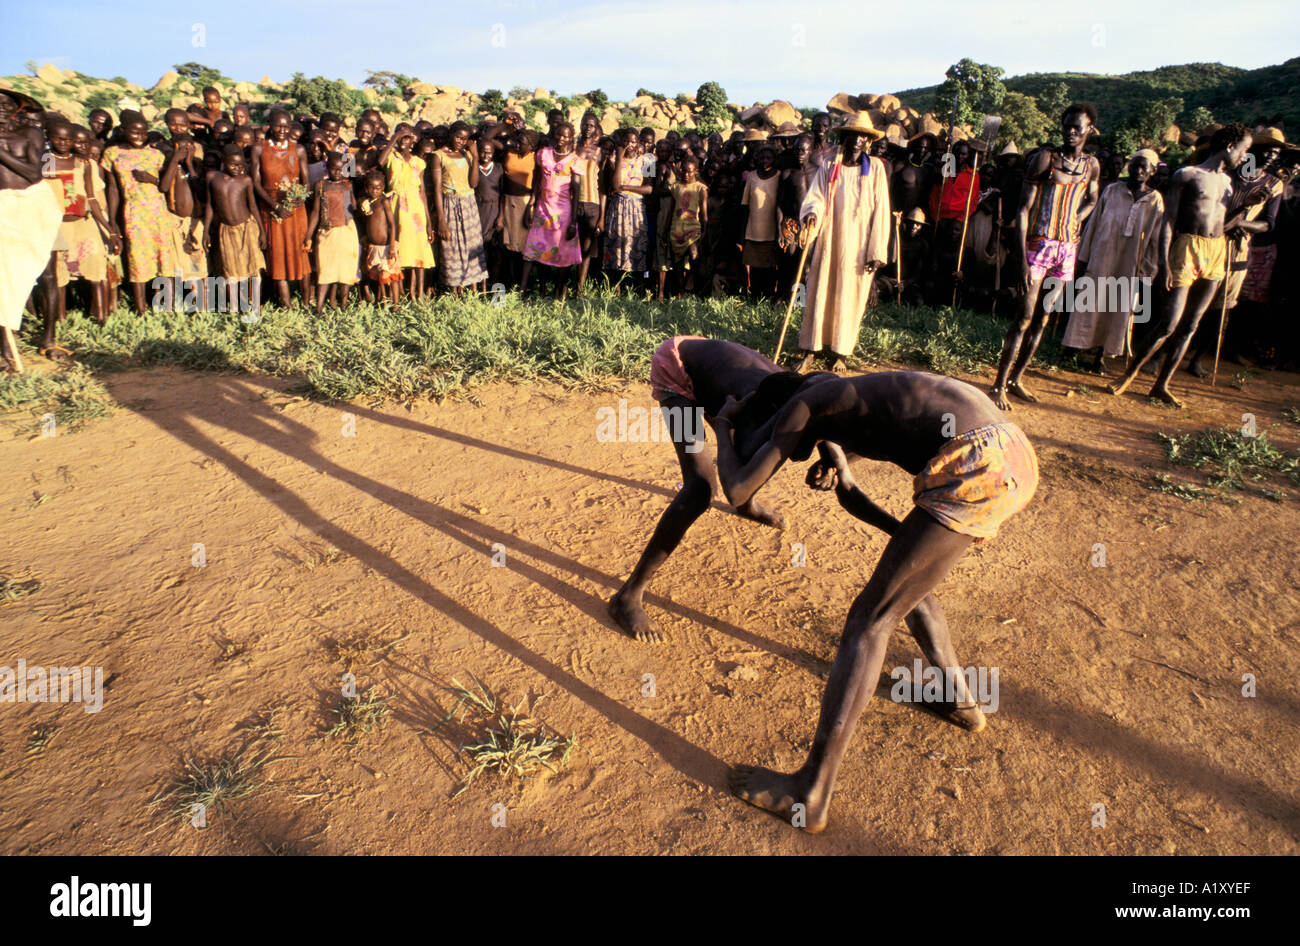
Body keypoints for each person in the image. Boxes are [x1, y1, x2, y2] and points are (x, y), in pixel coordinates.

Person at [711, 369, 1037, 833]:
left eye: (779, 432)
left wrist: (724, 426)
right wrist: (842, 468)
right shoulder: (850, 394)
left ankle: (811, 793)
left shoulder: (805, 405)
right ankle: (962, 702)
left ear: (783, 413)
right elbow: (868, 468)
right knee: (906, 585)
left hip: (975, 462)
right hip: (1010, 452)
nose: (784, 447)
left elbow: (740, 487)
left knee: (870, 620)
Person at [607, 337, 798, 643]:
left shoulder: (808, 398)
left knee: (752, 454)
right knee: (699, 489)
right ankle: (627, 597)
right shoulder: (751, 405)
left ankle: (746, 507)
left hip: (713, 374)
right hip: (676, 371)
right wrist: (723, 424)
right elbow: (732, 481)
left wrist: (832, 462)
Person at [1109, 123, 1254, 407]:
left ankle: (1161, 385)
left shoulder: (1228, 183)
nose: (1244, 157)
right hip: (1186, 249)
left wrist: (1243, 208)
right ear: (1229, 146)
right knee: (1168, 324)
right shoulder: (1186, 175)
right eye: (1244, 150)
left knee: (1191, 325)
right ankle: (1129, 374)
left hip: (1216, 251)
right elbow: (1169, 222)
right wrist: (1164, 262)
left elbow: (1223, 224)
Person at [990, 103, 1101, 410]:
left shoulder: (1092, 165)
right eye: (1066, 126)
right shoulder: (1046, 160)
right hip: (1037, 247)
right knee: (1023, 317)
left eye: (1077, 127)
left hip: (1066, 251)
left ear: (1090, 129)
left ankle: (1016, 380)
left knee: (1043, 318)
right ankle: (999, 383)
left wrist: (1077, 218)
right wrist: (1022, 259)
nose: (1070, 132)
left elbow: (1093, 198)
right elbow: (1023, 210)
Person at [794, 111, 892, 374]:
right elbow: (816, 196)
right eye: (853, 136)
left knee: (850, 296)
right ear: (844, 139)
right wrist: (812, 212)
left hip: (859, 245)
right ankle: (811, 349)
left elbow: (882, 211)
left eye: (863, 137)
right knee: (819, 290)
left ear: (868, 142)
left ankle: (841, 352)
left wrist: (876, 250)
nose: (858, 141)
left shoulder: (876, 170)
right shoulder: (829, 166)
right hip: (829, 240)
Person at [1061, 150, 1164, 370]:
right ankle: (1071, 349)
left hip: (1130, 264)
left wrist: (1147, 270)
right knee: (1088, 302)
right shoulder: (1112, 191)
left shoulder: (1155, 201)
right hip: (1102, 257)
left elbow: (1155, 240)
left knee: (1118, 308)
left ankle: (1100, 356)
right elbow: (1094, 224)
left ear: (1153, 171)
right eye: (1135, 165)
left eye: (1144, 167)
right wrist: (1083, 257)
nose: (1138, 170)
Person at [42, 119, 115, 344]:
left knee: (95, 267)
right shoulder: (45, 162)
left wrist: (109, 228)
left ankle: (101, 318)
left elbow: (91, 197)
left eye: (68, 139)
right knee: (59, 273)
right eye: (58, 138)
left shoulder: (83, 164)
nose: (63, 143)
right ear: (49, 137)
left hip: (84, 222)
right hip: (56, 225)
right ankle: (60, 319)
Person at [102, 111, 179, 315]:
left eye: (143, 132)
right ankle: (141, 309)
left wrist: (151, 179)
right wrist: (113, 222)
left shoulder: (156, 155)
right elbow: (112, 189)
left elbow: (165, 185)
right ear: (123, 130)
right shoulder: (112, 154)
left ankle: (167, 306)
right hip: (134, 212)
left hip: (158, 212)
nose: (139, 136)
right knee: (138, 260)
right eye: (134, 132)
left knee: (165, 259)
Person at [251, 109, 312, 308]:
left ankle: (305, 301)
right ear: (269, 124)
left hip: (296, 210)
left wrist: (298, 198)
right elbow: (256, 183)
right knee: (277, 255)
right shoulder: (259, 149)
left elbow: (306, 182)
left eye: (286, 126)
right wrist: (274, 205)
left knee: (300, 253)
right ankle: (285, 304)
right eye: (278, 125)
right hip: (271, 210)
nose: (282, 130)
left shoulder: (299, 149)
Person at [520, 121, 581, 297]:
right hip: (542, 208)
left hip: (563, 213)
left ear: (571, 138)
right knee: (532, 249)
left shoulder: (575, 160)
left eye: (565, 136)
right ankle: (521, 293)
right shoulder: (543, 154)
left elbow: (576, 192)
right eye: (558, 134)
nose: (561, 138)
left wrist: (573, 221)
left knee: (564, 251)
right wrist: (530, 205)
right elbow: (537, 182)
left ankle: (558, 293)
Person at [203, 145, 265, 313]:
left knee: (252, 268)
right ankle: (235, 307)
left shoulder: (245, 180)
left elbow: (252, 206)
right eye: (234, 165)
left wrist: (262, 232)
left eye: (241, 165)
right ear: (223, 162)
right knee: (230, 271)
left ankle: (255, 305)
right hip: (226, 231)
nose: (238, 169)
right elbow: (210, 206)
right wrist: (205, 232)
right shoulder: (212, 178)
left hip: (247, 228)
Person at [377, 123, 436, 299]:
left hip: (415, 209)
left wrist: (428, 222)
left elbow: (422, 192)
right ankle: (399, 292)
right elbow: (380, 162)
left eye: (408, 137)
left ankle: (417, 293)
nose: (405, 140)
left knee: (419, 251)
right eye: (402, 137)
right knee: (398, 250)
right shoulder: (391, 158)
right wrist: (394, 138)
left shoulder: (419, 162)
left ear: (413, 141)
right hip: (396, 206)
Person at [431, 121, 488, 295]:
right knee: (452, 247)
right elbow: (437, 188)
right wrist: (441, 219)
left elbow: (474, 183)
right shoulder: (438, 155)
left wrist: (476, 157)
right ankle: (455, 291)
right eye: (458, 137)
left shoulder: (467, 155)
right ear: (451, 134)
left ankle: (473, 288)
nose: (461, 141)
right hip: (449, 203)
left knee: (472, 244)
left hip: (469, 203)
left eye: (464, 139)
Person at [306, 151, 360, 312]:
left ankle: (343, 305)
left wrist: (363, 205)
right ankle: (319, 307)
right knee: (325, 269)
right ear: (327, 168)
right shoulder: (320, 185)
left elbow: (354, 207)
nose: (337, 173)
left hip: (347, 232)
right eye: (333, 169)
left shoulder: (347, 185)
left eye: (340, 169)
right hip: (326, 232)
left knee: (345, 270)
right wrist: (309, 235)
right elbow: (315, 212)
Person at [603, 128, 651, 285]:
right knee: (616, 244)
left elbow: (649, 189)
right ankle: (615, 287)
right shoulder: (612, 160)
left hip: (636, 208)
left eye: (633, 142)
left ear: (638, 143)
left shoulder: (648, 160)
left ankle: (636, 287)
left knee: (636, 245)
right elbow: (615, 184)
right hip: (618, 207)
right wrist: (619, 157)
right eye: (626, 141)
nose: (630, 145)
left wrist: (625, 188)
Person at [741, 143, 782, 299]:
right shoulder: (752, 176)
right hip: (753, 230)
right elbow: (745, 205)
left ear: (774, 159)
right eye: (762, 157)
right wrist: (742, 234)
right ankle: (755, 297)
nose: (765, 160)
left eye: (769, 157)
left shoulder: (779, 176)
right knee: (755, 267)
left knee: (770, 268)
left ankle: (769, 296)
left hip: (772, 231)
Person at [666, 157, 708, 295]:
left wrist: (704, 231)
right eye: (683, 171)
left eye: (689, 171)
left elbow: (704, 213)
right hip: (676, 230)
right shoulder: (676, 187)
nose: (686, 174)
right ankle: (680, 292)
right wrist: (666, 230)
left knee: (694, 256)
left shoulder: (700, 188)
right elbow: (671, 209)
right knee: (677, 266)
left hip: (693, 230)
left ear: (695, 171)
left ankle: (693, 289)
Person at [573, 113, 605, 294]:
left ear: (596, 128)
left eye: (591, 125)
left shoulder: (600, 152)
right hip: (572, 203)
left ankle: (580, 287)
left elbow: (603, 187)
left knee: (586, 247)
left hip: (592, 204)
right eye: (585, 124)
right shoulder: (572, 149)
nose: (587, 127)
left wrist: (601, 216)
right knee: (570, 245)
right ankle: (562, 285)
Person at [358, 170, 401, 304]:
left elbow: (392, 225)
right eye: (372, 188)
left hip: (387, 246)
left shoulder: (384, 202)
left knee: (392, 276)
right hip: (374, 246)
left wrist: (392, 246)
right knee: (379, 276)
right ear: (366, 187)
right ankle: (383, 300)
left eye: (378, 188)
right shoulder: (367, 204)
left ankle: (395, 303)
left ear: (383, 188)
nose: (375, 190)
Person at [474, 136, 504, 288]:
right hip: (479, 211)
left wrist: (501, 217)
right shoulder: (474, 168)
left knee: (496, 251)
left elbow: (503, 194)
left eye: (489, 153)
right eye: (482, 152)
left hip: (495, 211)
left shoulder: (499, 168)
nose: (485, 156)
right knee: (481, 250)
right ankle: (481, 287)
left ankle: (496, 287)